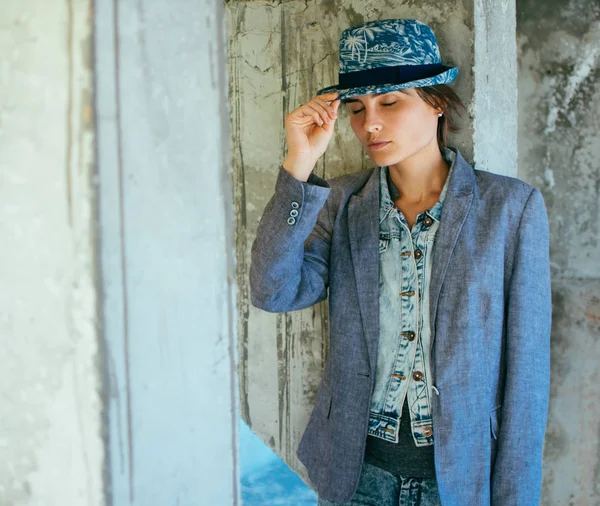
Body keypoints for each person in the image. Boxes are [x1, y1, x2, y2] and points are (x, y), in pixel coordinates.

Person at [249, 18, 551, 506]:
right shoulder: (341, 202)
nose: (369, 122)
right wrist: (298, 167)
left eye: (389, 102)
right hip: (356, 474)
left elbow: (527, 376)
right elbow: (272, 289)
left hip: (458, 478)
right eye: (356, 107)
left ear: (435, 102)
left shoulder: (510, 209)